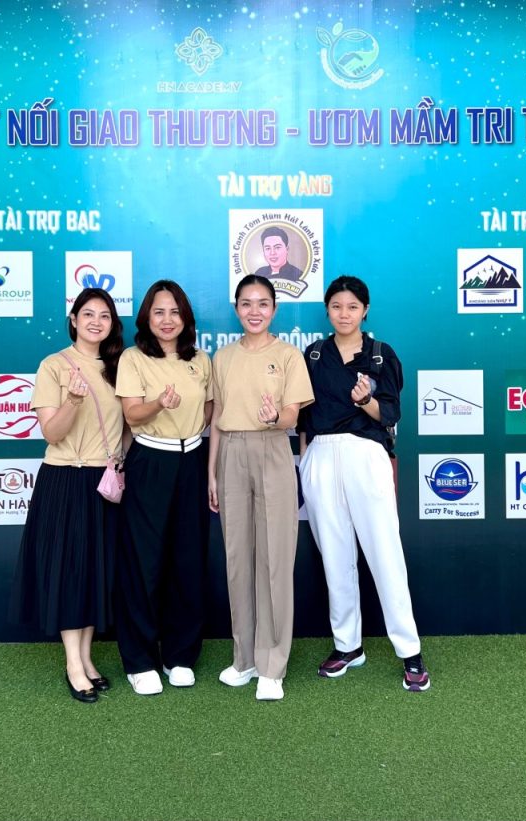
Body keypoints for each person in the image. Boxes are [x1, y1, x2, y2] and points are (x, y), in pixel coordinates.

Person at [298, 276, 430, 692]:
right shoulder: (313, 354)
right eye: (337, 306)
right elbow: (303, 418)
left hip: (366, 452)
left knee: (385, 552)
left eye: (352, 306)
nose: (344, 314)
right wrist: (306, 461)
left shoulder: (380, 354)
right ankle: (348, 645)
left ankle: (410, 651)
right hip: (321, 454)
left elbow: (390, 413)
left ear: (365, 310)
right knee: (334, 555)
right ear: (327, 309)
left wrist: (365, 401)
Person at [10, 288, 127, 704]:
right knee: (70, 573)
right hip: (66, 478)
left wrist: (119, 461)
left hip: (103, 482)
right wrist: (74, 400)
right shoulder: (54, 366)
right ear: (74, 320)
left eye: (105, 315)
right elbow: (52, 433)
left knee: (94, 572)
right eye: (88, 314)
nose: (96, 322)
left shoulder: (119, 366)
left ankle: (88, 658)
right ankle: (73, 664)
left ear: (113, 323)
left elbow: (126, 427)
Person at [208, 274, 314, 701]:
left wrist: (275, 418)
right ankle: (245, 659)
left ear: (274, 309)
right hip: (231, 453)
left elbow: (292, 415)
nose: (255, 311)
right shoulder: (222, 358)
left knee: (274, 560)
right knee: (238, 559)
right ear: (237, 308)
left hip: (271, 449)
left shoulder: (288, 356)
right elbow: (217, 418)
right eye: (247, 303)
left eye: (263, 303)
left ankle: (272, 665)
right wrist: (212, 472)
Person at [115, 280, 213, 696]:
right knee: (144, 563)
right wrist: (159, 404)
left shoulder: (200, 360)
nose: (167, 320)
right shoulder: (133, 358)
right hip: (151, 461)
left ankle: (180, 656)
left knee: (187, 562)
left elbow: (209, 408)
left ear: (185, 317)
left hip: (191, 461)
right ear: (147, 318)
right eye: (159, 312)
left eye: (175, 312)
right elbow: (132, 415)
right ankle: (140, 661)